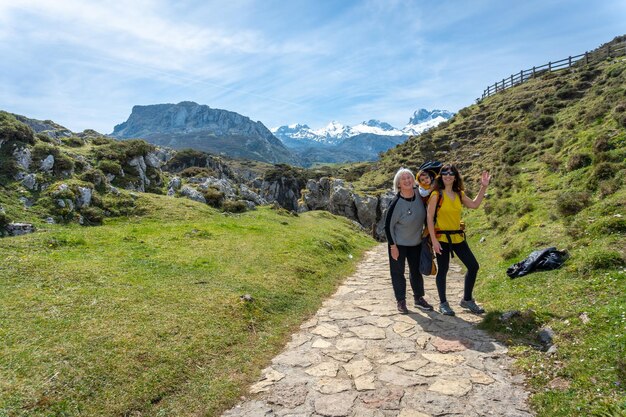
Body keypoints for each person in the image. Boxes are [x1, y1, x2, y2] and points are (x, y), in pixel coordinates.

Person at [426, 164, 491, 316]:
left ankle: (467, 300)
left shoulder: (459, 194)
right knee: (443, 270)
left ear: (455, 176)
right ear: (441, 176)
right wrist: (434, 240)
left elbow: (474, 205)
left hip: (457, 237)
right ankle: (443, 304)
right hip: (442, 237)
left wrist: (483, 187)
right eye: (445, 173)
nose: (448, 175)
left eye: (451, 173)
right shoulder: (436, 194)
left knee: (473, 266)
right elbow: (429, 217)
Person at [385, 168, 434, 314]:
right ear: (398, 184)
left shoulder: (420, 195)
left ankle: (418, 298)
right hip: (398, 244)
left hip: (416, 243)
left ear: (414, 180)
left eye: (409, 177)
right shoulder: (396, 203)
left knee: (416, 271)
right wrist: (393, 246)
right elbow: (388, 226)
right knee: (397, 272)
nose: (407, 180)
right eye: (403, 179)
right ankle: (401, 301)